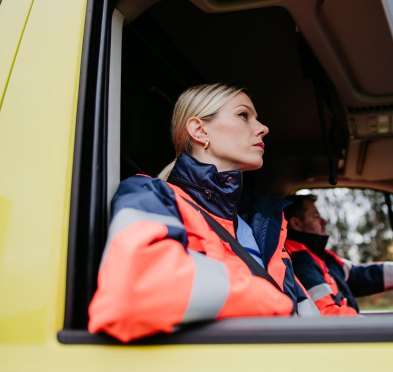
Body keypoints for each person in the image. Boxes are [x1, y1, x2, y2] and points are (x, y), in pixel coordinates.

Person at [88, 84, 319, 343]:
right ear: (199, 130)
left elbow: (309, 316)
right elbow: (137, 287)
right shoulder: (150, 194)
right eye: (244, 115)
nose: (263, 128)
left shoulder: (263, 226)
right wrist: (277, 304)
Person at [284, 194, 393, 316]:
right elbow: (327, 315)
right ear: (296, 223)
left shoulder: (322, 256)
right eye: (316, 217)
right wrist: (386, 328)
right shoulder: (298, 261)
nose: (324, 221)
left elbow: (362, 275)